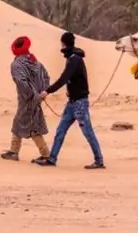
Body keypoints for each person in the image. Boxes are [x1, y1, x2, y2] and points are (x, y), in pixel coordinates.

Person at [34, 32, 105, 169]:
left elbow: (64, 78)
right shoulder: (73, 58)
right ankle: (52, 159)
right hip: (72, 102)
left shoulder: (74, 59)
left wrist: (47, 91)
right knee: (61, 130)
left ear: (64, 43)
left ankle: (99, 160)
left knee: (87, 132)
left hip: (79, 103)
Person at [1, 36, 50, 162]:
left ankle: (45, 154)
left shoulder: (16, 64)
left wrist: (31, 96)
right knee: (19, 122)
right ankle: (14, 151)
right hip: (36, 97)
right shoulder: (36, 63)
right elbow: (46, 77)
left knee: (32, 127)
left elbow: (21, 82)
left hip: (27, 99)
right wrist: (42, 93)